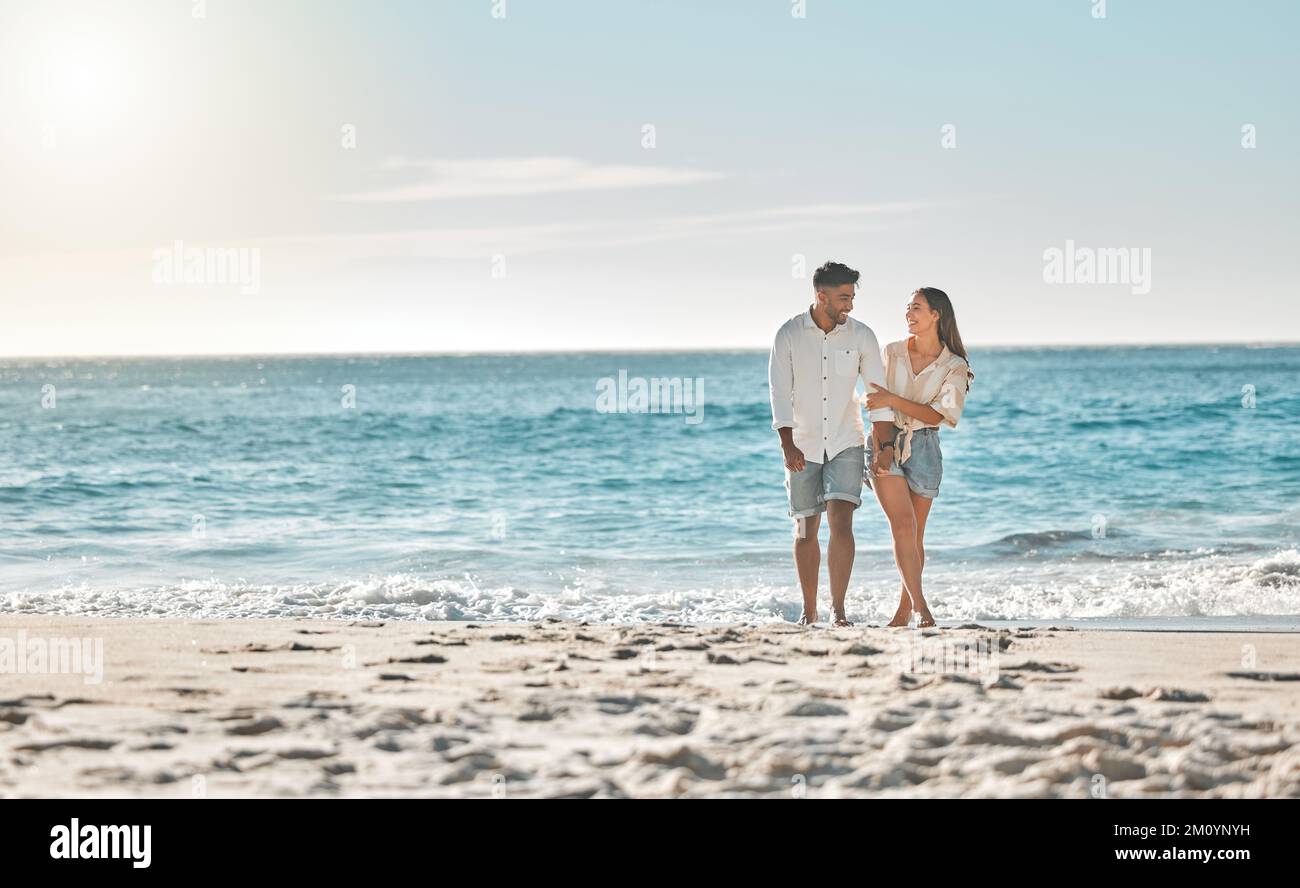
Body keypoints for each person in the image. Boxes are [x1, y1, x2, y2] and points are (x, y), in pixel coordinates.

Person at [768, 261, 894, 626]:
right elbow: (779, 390)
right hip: (802, 444)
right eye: (843, 298)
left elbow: (877, 395)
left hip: (846, 440)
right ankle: (809, 612)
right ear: (821, 296)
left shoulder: (862, 336)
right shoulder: (788, 335)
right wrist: (786, 443)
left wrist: (883, 445)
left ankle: (838, 611)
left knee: (842, 522)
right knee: (806, 528)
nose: (850, 306)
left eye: (852, 297)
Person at [864, 287, 974, 628]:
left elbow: (936, 416)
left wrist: (893, 400)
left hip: (925, 447)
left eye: (916, 308)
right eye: (908, 308)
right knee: (902, 525)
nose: (908, 313)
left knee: (916, 536)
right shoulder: (891, 352)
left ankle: (902, 612)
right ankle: (921, 609)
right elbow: (873, 402)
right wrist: (882, 448)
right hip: (884, 439)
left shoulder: (954, 366)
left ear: (936, 315)